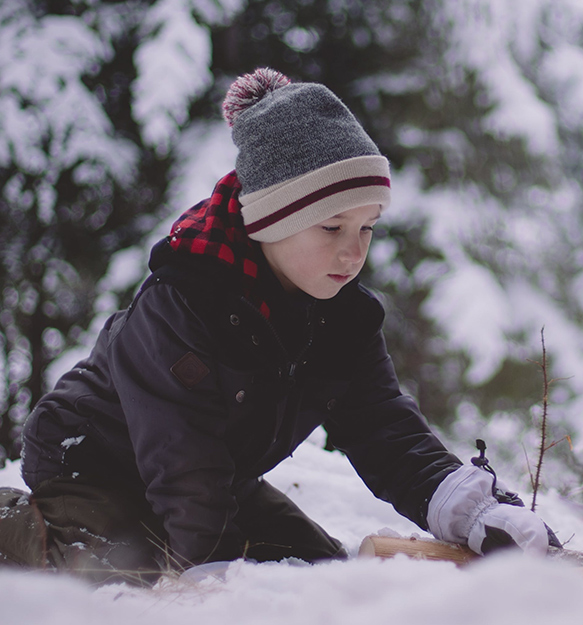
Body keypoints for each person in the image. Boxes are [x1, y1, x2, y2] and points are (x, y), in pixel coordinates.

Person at [0, 68, 550, 585]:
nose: (353, 251)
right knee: (119, 576)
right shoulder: (184, 304)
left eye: (367, 227)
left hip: (215, 477)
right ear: (270, 221)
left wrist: (472, 509)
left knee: (313, 574)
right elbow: (181, 456)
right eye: (332, 226)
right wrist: (212, 577)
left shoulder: (341, 318)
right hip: (94, 464)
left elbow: (384, 429)